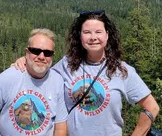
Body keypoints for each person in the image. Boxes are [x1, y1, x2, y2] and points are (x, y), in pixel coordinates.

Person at [14, 11, 160, 136]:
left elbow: (152, 107)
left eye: (98, 32)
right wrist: (26, 60)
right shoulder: (66, 64)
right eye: (87, 32)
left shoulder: (121, 70)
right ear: (80, 36)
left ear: (107, 35)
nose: (93, 37)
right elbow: (41, 75)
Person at [0, 28, 68, 136]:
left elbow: (60, 127)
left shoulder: (58, 82)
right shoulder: (8, 77)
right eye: (36, 51)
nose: (41, 56)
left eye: (47, 53)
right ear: (27, 52)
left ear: (52, 56)